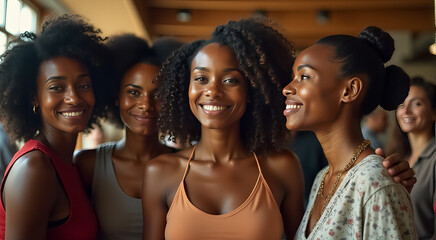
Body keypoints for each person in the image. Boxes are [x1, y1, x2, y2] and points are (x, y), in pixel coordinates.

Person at [142, 19, 416, 240]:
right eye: (201, 78)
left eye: (304, 76)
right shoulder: (324, 179)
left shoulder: (286, 168)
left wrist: (382, 184)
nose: (212, 90)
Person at [283, 26, 417, 239]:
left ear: (350, 90)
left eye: (304, 76)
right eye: (293, 76)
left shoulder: (375, 183)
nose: (287, 88)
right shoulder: (322, 178)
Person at [0, 14, 108, 239]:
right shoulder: (34, 168)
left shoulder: (67, 162)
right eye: (57, 87)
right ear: (34, 98)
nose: (74, 98)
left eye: (83, 85)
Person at [74, 34, 183, 240]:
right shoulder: (88, 165)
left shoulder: (188, 165)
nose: (145, 105)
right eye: (134, 92)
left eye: (158, 95)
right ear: (116, 97)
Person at [386, 76, 435, 239]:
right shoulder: (399, 158)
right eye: (401, 104)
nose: (406, 111)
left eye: (417, 103)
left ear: (434, 112)